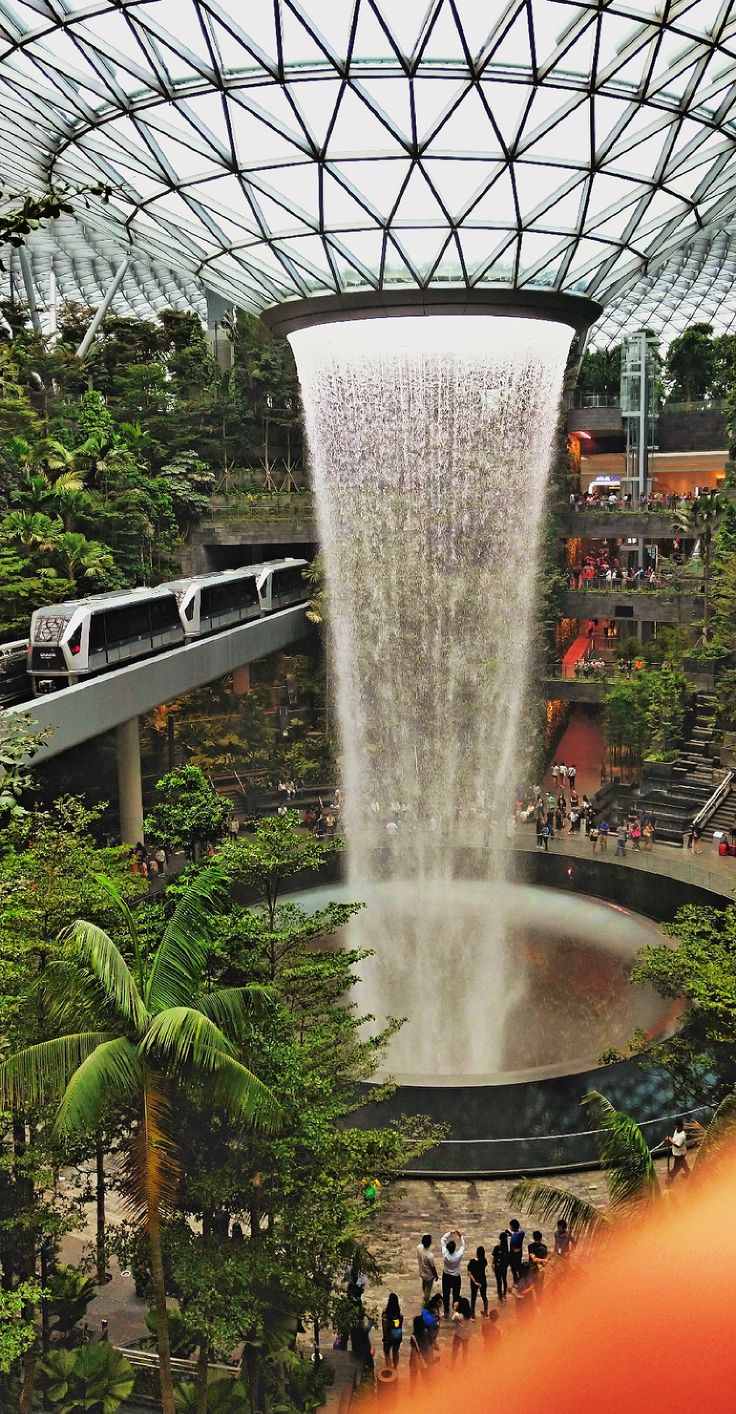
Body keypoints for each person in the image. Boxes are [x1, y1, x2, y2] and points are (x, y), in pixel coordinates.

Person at [441, 1229, 464, 1317]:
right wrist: (460, 1236)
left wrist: (449, 1233)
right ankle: (455, 1310)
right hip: (456, 1276)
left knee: (446, 1294)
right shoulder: (458, 1255)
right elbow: (463, 1245)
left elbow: (442, 1240)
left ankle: (446, 1312)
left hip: (446, 1275)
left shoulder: (445, 1254)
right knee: (456, 1294)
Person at [409, 1315, 434, 1384]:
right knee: (426, 1377)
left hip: (417, 1359)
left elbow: (413, 1352)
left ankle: (413, 1392)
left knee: (413, 1378)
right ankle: (429, 1391)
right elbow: (431, 1344)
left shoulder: (414, 1337)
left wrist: (412, 1362)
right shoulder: (426, 1333)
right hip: (425, 1357)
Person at [381, 1293, 403, 1368]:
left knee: (387, 1353)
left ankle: (389, 1369)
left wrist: (385, 1337)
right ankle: (395, 1368)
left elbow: (384, 1326)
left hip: (388, 1337)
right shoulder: (400, 1316)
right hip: (397, 1336)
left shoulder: (385, 1314)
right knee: (395, 1352)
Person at [666, 1117, 690, 1184]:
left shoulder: (682, 1136)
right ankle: (689, 1173)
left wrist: (670, 1140)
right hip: (676, 1152)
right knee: (683, 1164)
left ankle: (670, 1177)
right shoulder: (676, 1130)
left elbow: (677, 1145)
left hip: (680, 1154)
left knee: (677, 1167)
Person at [467, 1245, 488, 1318]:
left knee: (473, 1297)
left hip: (474, 1281)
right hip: (483, 1280)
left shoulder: (472, 1262)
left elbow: (469, 1273)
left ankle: (473, 1314)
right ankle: (486, 1312)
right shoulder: (484, 1261)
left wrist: (475, 1281)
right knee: (484, 1296)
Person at [417, 1234, 438, 1303]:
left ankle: (425, 1295)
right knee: (428, 1288)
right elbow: (433, 1268)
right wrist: (436, 1276)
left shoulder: (419, 1248)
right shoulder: (430, 1256)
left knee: (424, 1284)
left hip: (422, 1271)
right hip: (429, 1275)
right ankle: (427, 1301)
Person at [451, 1296, 472, 1362]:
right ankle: (464, 1364)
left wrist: (455, 1308)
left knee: (455, 1349)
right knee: (465, 1349)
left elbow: (453, 1318)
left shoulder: (458, 1315)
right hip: (467, 1334)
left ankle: (453, 1364)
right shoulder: (469, 1313)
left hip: (459, 1334)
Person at [492, 1232, 509, 1302]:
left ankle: (501, 1296)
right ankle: (503, 1294)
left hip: (499, 1266)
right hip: (502, 1266)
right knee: (503, 1280)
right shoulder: (506, 1249)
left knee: (500, 1281)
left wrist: (493, 1264)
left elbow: (494, 1257)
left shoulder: (498, 1248)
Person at [507, 1220, 525, 1284]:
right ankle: (520, 1279)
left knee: (514, 1268)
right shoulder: (522, 1233)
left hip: (513, 1255)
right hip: (519, 1253)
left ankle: (516, 1281)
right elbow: (519, 1232)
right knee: (519, 1265)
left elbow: (514, 1248)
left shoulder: (514, 1238)